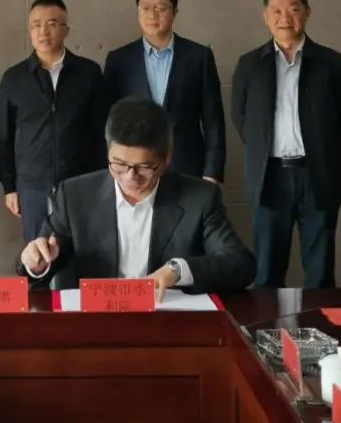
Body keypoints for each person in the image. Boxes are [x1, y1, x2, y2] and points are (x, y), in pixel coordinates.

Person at [19, 97, 255, 296]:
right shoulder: (74, 195)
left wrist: (178, 270)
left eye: (144, 167)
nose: (130, 177)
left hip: (167, 318)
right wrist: (36, 263)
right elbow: (41, 263)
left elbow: (240, 264)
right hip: (98, 318)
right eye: (119, 164)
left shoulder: (199, 197)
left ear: (167, 158)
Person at [231, 0, 341, 288]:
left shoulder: (333, 64)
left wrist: (324, 153)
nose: (284, 18)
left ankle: (319, 323)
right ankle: (267, 323)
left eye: (293, 9)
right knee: (266, 273)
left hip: (318, 176)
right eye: (276, 11)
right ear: (265, 16)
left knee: (320, 273)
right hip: (269, 177)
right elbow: (242, 119)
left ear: (307, 12)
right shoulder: (250, 65)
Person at [0, 0, 108, 241]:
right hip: (32, 187)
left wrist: (101, 181)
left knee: (82, 251)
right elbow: (3, 138)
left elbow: (102, 133)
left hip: (80, 182)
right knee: (37, 255)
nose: (43, 31)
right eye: (36, 25)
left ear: (66, 30)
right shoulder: (14, 78)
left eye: (52, 24)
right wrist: (10, 187)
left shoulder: (88, 73)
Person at [103, 0, 226, 183]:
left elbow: (213, 119)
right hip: (134, 170)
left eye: (160, 8)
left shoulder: (199, 57)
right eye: (145, 8)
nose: (152, 15)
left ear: (174, 12)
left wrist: (212, 172)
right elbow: (108, 119)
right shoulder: (119, 60)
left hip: (187, 167)